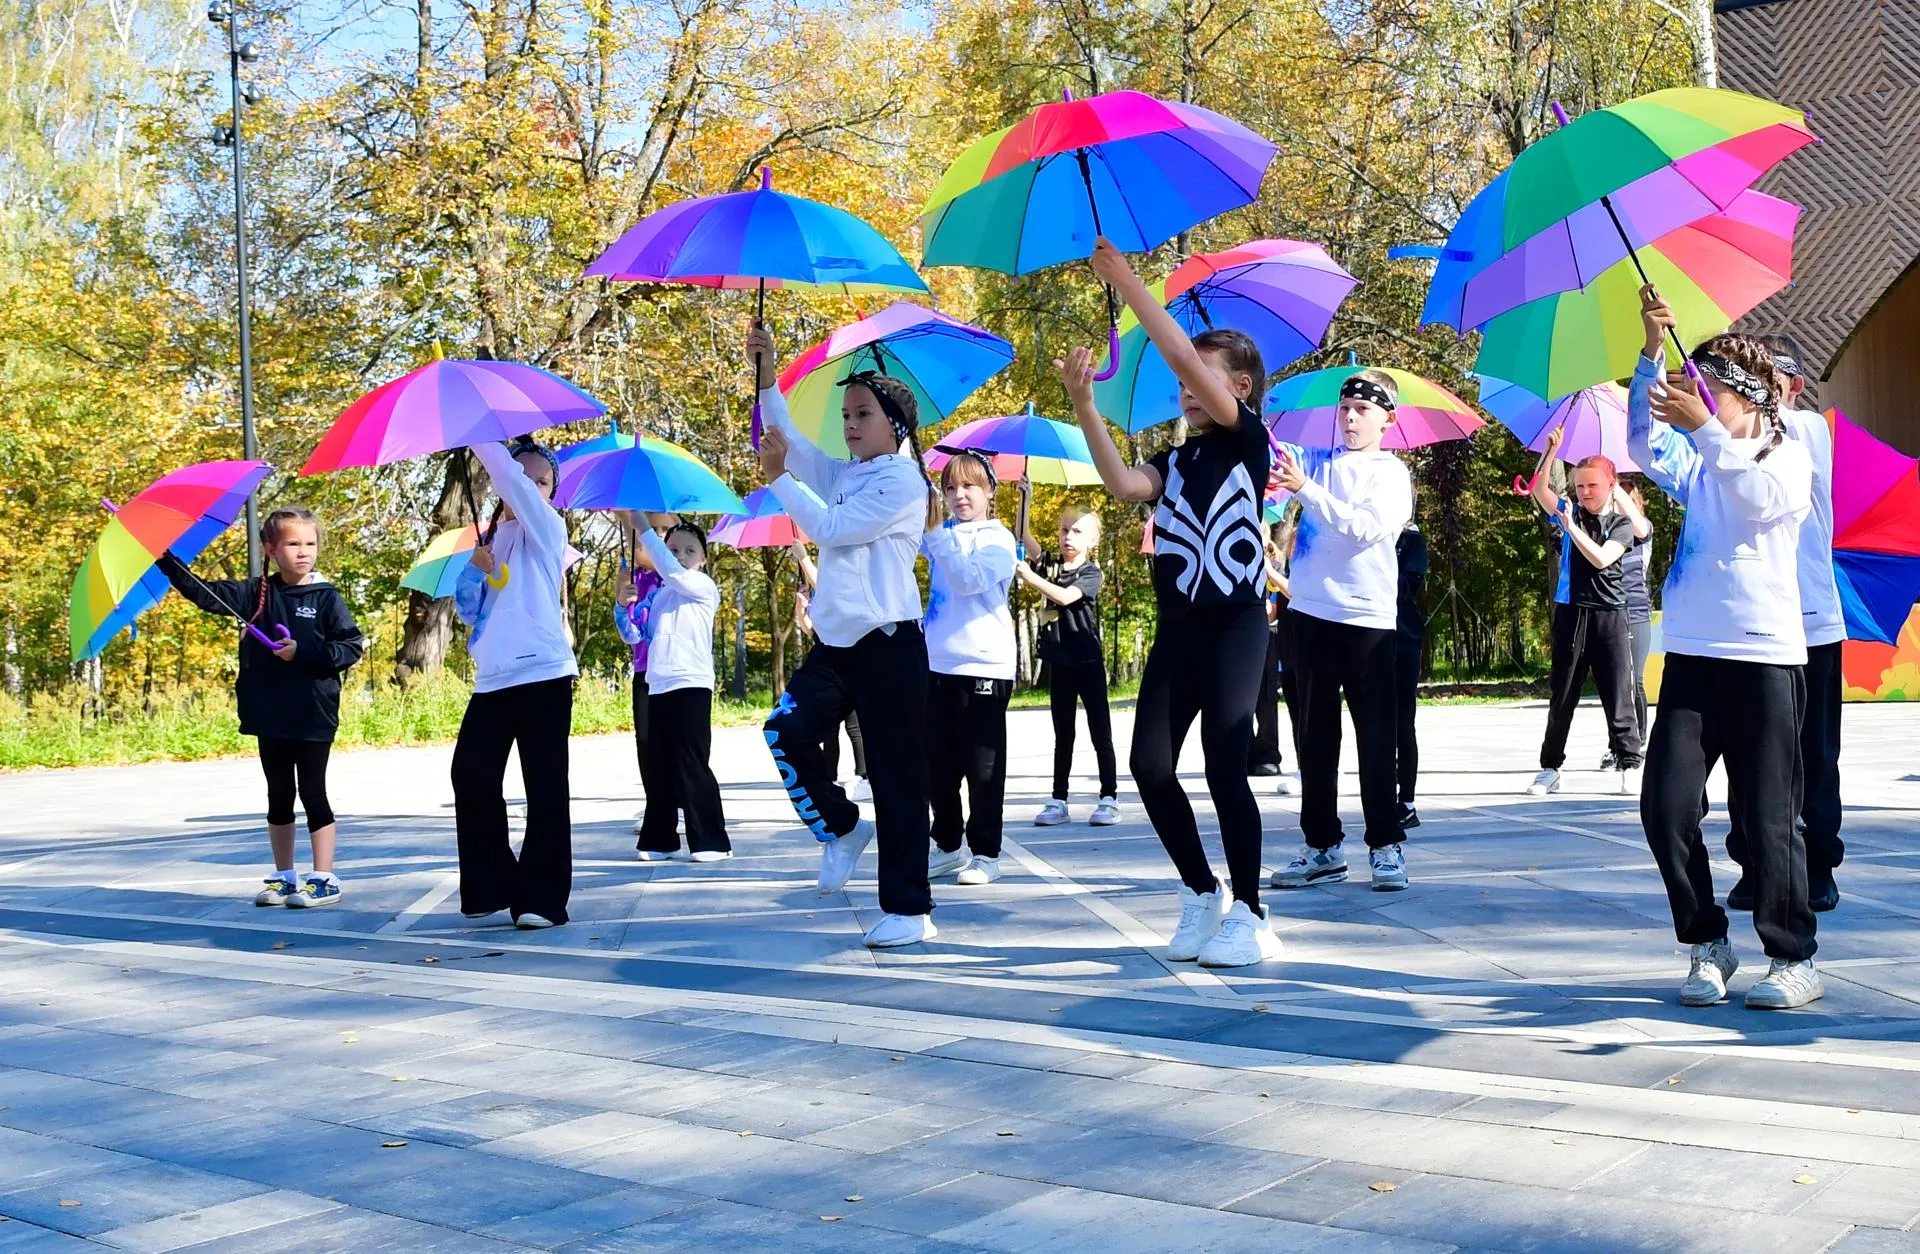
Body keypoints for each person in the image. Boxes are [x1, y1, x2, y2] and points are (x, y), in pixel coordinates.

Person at [1070, 237, 1276, 968]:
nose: (1186, 388)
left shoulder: (1250, 441)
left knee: (1225, 762)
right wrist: (1083, 406)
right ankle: (1201, 892)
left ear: (1239, 390)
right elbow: (1126, 488)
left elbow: (1185, 357)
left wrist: (1125, 280)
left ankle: (1251, 911)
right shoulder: (1177, 459)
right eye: (1184, 385)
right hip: (1180, 630)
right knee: (1150, 765)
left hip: (1237, 624)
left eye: (1203, 380)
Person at [1631, 284, 1818, 1010]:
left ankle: (1793, 956)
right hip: (1693, 657)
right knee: (1666, 808)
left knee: (1767, 818)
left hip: (1766, 658)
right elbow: (1645, 444)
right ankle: (1707, 942)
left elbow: (1759, 501)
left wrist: (1706, 429)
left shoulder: (1786, 455)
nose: (1690, 396)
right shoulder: (1701, 461)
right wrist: (1651, 348)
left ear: (1744, 396)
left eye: (1704, 388)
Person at [750, 323, 940, 949]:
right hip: (836, 648)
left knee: (896, 777)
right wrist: (767, 370)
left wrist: (778, 480)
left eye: (863, 414)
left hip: (890, 647)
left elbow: (830, 529)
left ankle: (910, 910)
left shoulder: (903, 481)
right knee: (785, 730)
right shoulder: (851, 473)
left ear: (896, 425)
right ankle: (841, 825)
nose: (850, 424)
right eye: (846, 414)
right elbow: (796, 446)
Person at [160, 508, 364, 908]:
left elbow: (349, 647)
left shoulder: (327, 597)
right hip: (268, 712)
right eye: (293, 544)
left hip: (312, 713)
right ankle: (284, 877)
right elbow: (204, 592)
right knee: (278, 794)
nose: (304, 552)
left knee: (313, 792)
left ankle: (323, 877)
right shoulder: (255, 594)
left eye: (310, 543)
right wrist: (165, 559)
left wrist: (301, 652)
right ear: (270, 549)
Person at [1267, 369, 1416, 895]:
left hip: (1366, 621)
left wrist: (1306, 490)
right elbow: (1274, 488)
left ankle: (1385, 844)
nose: (1350, 418)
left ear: (1387, 420)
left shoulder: (1391, 474)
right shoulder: (1315, 463)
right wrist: (1279, 481)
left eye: (1363, 410)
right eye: (1345, 408)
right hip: (1307, 615)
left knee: (1376, 738)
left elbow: (1363, 528)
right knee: (1313, 738)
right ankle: (1322, 846)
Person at [1726, 340, 1845, 915]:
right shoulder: (1733, 434)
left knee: (1814, 753)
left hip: (1812, 620)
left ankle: (1818, 863)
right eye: (1753, 377)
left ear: (1795, 386)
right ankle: (1753, 861)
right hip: (1753, 622)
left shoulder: (1807, 432)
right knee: (1751, 751)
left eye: (1774, 377)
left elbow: (1760, 449)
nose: (1763, 385)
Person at [452, 436, 578, 930]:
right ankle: (493, 883)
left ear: (549, 490)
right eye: (520, 476)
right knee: (471, 776)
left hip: (544, 673)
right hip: (493, 679)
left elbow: (513, 483)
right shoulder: (491, 539)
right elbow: (469, 611)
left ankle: (542, 900)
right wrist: (473, 569)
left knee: (545, 787)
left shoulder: (549, 530)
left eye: (539, 480)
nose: (527, 485)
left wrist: (481, 434)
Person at [1524, 427, 1645, 796]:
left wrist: (1571, 529)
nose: (1584, 493)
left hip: (1611, 614)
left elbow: (1601, 557)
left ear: (1611, 486)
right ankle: (1550, 767)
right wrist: (1549, 452)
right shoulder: (1570, 510)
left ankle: (1629, 761)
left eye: (1592, 486)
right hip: (1572, 612)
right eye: (1579, 487)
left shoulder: (1622, 524)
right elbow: (1539, 492)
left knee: (1618, 694)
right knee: (1562, 693)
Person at [922, 450, 1018, 886]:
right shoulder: (939, 535)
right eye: (950, 488)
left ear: (990, 492)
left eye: (969, 486)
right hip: (937, 664)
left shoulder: (998, 540)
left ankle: (986, 852)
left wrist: (936, 537)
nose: (959, 496)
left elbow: (968, 579)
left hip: (985, 666)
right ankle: (946, 843)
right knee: (936, 765)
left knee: (982, 766)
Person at [627, 515, 729, 863]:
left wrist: (641, 527)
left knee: (691, 762)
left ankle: (712, 841)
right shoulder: (658, 597)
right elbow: (637, 636)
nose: (681, 555)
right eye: (673, 549)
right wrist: (623, 606)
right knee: (658, 765)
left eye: (689, 550)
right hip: (658, 685)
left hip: (691, 683)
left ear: (702, 558)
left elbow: (671, 571)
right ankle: (660, 840)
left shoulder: (702, 586)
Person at [1014, 500, 1119, 826]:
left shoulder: (1092, 573)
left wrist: (1029, 577)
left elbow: (1064, 597)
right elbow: (1023, 535)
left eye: (1076, 531)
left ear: (1092, 541)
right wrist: (1026, 500)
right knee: (1064, 735)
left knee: (1100, 732)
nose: (1067, 537)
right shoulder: (1051, 564)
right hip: (1059, 663)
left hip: (1086, 661)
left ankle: (1109, 797)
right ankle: (1059, 799)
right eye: (1063, 530)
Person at [791, 540, 870, 802]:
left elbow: (823, 585)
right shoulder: (822, 597)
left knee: (854, 725)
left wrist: (802, 557)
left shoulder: (841, 584)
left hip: (848, 664)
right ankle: (830, 775)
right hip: (825, 663)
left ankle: (863, 775)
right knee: (829, 730)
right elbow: (810, 629)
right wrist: (801, 611)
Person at [615, 513, 667, 835]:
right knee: (646, 740)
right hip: (644, 671)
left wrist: (633, 522)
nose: (657, 536)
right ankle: (655, 803)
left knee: (675, 741)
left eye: (664, 530)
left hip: (674, 672)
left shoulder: (673, 572)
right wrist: (622, 603)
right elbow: (629, 634)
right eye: (653, 529)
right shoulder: (630, 576)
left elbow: (653, 551)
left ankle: (679, 801)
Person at [1611, 481, 1656, 764]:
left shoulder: (1642, 531)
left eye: (1624, 499)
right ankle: (1617, 743)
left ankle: (1638, 740)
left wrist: (1613, 486)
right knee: (1616, 683)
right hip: (1612, 613)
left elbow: (1638, 526)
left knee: (1634, 680)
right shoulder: (1609, 533)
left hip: (1637, 614)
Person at [1395, 516, 1429, 827]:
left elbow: (1406, 586)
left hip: (1401, 639)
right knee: (1374, 724)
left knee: (1402, 723)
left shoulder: (1410, 540)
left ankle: (1406, 800)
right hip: (1366, 638)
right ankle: (1380, 794)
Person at [1247, 522, 1287, 779]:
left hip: (1266, 635)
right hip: (1240, 637)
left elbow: (1275, 609)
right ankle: (1244, 752)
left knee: (1266, 699)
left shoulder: (1276, 566)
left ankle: (1268, 753)